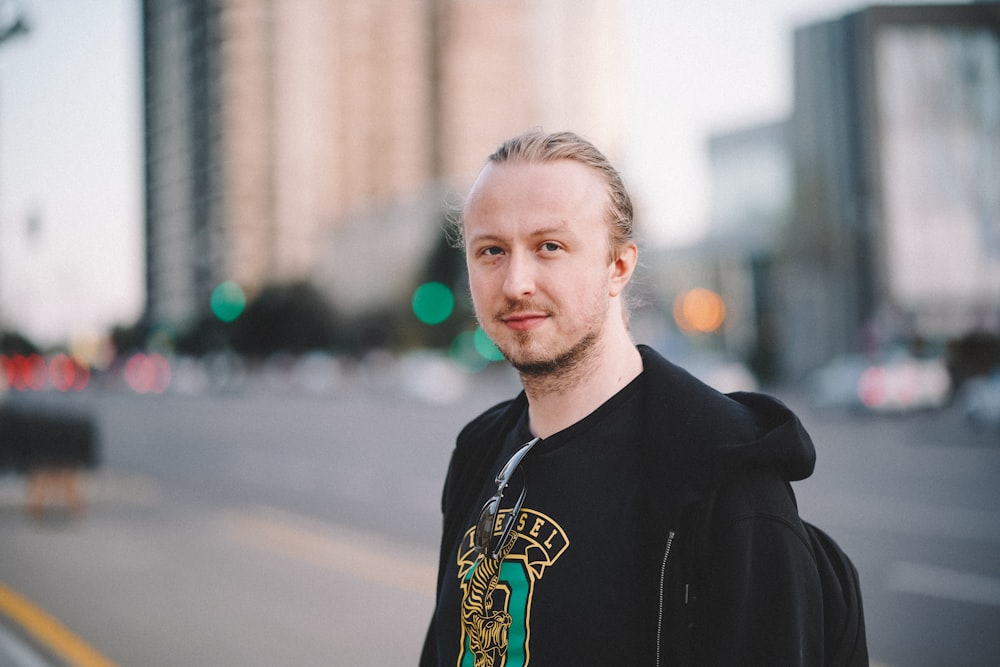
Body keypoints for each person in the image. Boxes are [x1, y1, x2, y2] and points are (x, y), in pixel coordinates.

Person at [420, 129, 843, 665]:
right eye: (492, 251)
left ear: (618, 265)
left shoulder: (724, 478)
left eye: (550, 246)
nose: (516, 282)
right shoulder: (480, 450)